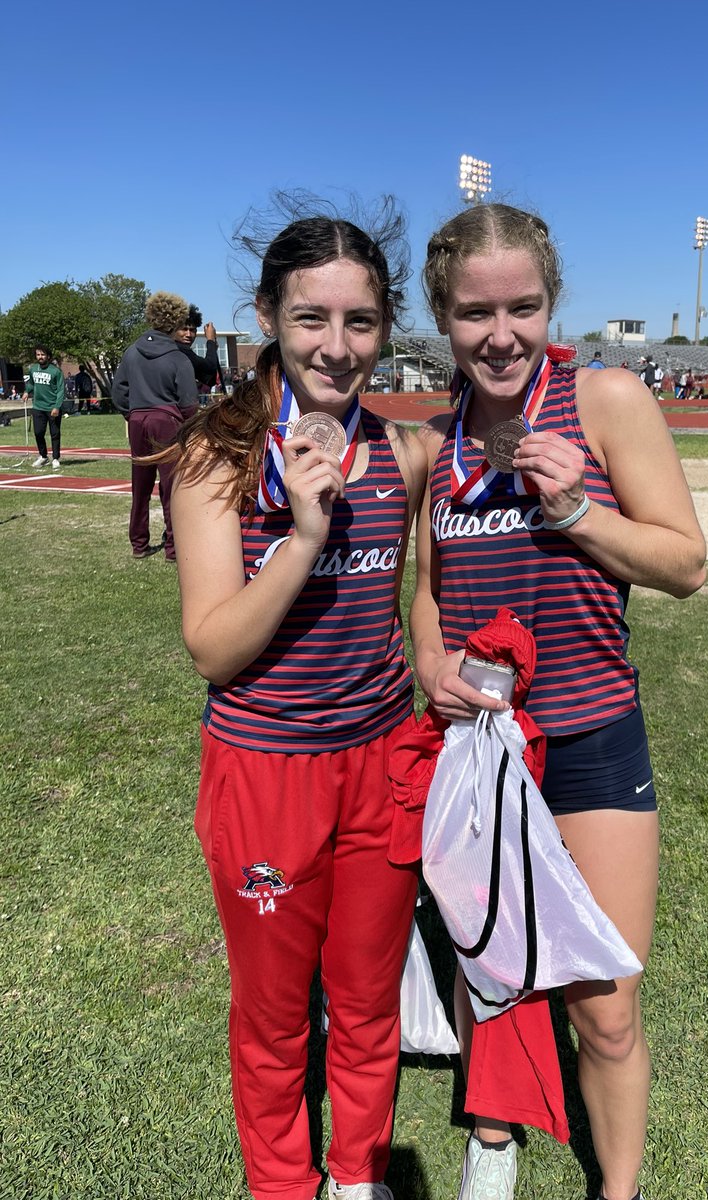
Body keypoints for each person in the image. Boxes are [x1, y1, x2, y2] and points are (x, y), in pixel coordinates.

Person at [411, 203, 707, 1200]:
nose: (500, 333)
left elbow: (686, 565)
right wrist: (430, 665)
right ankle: (491, 1142)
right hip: (479, 748)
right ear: (441, 316)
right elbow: (424, 589)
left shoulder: (608, 401)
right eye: (473, 312)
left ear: (551, 303)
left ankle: (615, 1192)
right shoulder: (435, 437)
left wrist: (578, 510)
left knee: (606, 1006)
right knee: (492, 971)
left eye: (523, 307)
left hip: (587, 742)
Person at [167, 202, 426, 1200]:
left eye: (360, 322)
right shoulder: (214, 458)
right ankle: (283, 1183)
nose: (337, 344)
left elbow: (424, 599)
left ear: (385, 330)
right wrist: (306, 540)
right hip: (264, 773)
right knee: (275, 1015)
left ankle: (357, 1177)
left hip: (381, 771)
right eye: (312, 317)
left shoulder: (403, 456)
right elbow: (213, 650)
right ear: (271, 315)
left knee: (366, 1003)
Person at [112, 292, 199, 559]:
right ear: (175, 321)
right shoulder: (179, 357)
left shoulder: (131, 352)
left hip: (138, 419)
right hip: (167, 422)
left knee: (140, 485)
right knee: (171, 486)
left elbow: (118, 391)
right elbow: (188, 403)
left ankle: (139, 544)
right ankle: (173, 548)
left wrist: (132, 414)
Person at [24, 343, 65, 469]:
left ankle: (56, 458)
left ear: (48, 356)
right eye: (38, 354)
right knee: (38, 433)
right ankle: (43, 456)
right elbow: (31, 383)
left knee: (55, 434)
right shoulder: (33, 369)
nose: (40, 357)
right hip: (38, 407)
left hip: (52, 407)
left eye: (42, 354)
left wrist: (57, 406)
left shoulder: (55, 371)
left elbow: (60, 390)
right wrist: (26, 391)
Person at [173, 304, 221, 390]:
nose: (188, 334)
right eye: (184, 329)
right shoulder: (178, 350)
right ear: (174, 330)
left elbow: (209, 379)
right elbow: (210, 368)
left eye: (192, 330)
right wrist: (211, 341)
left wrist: (212, 348)